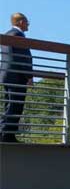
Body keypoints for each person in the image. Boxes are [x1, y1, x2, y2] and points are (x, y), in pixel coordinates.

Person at [0, 13, 33, 143]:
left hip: (6, 74)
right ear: (20, 22)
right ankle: (7, 135)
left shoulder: (7, 34)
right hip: (16, 76)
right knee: (15, 105)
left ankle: (5, 133)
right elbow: (21, 58)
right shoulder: (17, 35)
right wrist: (29, 76)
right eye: (26, 21)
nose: (28, 24)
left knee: (9, 105)